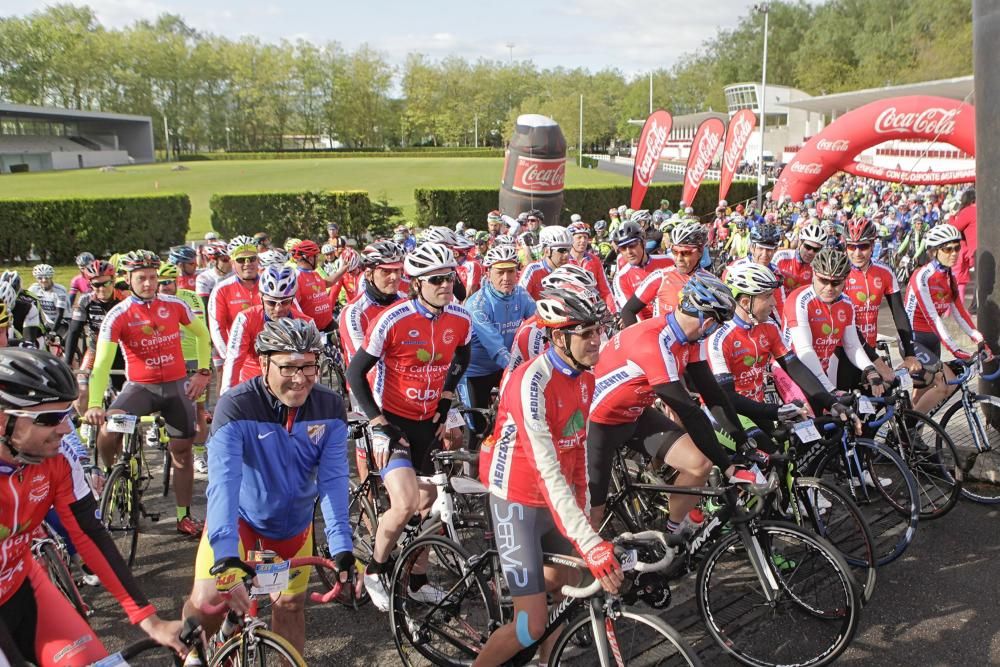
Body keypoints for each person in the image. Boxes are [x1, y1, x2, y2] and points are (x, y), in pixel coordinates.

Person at [0, 347, 187, 666]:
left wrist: (150, 621)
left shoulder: (57, 458)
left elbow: (88, 532)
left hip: (20, 582)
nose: (64, 428)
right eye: (50, 419)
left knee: (90, 660)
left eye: (66, 415)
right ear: (4, 419)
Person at [184, 318, 354, 656]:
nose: (300, 378)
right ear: (263, 363)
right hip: (242, 523)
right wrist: (226, 553)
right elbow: (224, 483)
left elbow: (333, 481)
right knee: (207, 602)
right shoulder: (237, 406)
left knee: (290, 606)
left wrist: (342, 547)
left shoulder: (329, 406)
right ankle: (193, 655)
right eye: (288, 367)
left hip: (292, 528)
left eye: (309, 366)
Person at [476, 285, 619, 666]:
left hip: (552, 499)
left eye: (597, 331)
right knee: (531, 625)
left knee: (570, 589)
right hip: (517, 498)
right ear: (558, 337)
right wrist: (587, 541)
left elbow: (577, 455)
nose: (595, 341)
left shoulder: (586, 379)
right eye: (585, 334)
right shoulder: (531, 381)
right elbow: (546, 467)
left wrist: (586, 523)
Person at [345, 241, 472, 612]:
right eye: (436, 279)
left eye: (449, 277)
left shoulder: (460, 318)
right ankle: (374, 570)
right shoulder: (393, 319)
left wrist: (447, 396)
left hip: (427, 425)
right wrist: (378, 422)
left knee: (431, 505)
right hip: (394, 425)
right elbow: (355, 373)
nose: (445, 284)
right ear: (417, 283)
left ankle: (417, 580)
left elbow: (463, 354)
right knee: (403, 505)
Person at [588, 273, 765, 532]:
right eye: (719, 323)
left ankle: (671, 536)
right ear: (706, 320)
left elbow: (713, 395)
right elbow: (690, 412)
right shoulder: (654, 342)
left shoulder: (690, 338)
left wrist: (744, 442)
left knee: (699, 464)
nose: (717, 330)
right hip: (598, 424)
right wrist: (728, 468)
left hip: (635, 415)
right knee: (594, 514)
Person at [84, 250, 213, 537]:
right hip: (139, 389)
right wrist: (94, 403)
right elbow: (103, 363)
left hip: (176, 387)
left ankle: (183, 515)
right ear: (128, 279)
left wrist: (203, 372)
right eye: (141, 278)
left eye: (153, 278)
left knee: (181, 452)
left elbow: (203, 334)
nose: (148, 283)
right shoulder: (118, 314)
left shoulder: (175, 305)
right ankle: (111, 474)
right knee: (108, 429)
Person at [709, 263, 842, 430]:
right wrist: (775, 411)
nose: (774, 302)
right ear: (745, 301)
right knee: (771, 453)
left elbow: (794, 366)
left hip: (756, 407)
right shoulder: (719, 336)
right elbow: (726, 396)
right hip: (726, 412)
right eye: (768, 296)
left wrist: (831, 402)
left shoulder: (769, 326)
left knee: (789, 445)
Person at [905, 223, 990, 414]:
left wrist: (978, 338)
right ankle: (910, 426)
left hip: (931, 340)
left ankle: (909, 436)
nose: (954, 253)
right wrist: (956, 349)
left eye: (957, 248)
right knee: (944, 386)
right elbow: (933, 317)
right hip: (914, 338)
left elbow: (959, 312)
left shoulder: (948, 276)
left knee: (922, 392)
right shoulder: (923, 276)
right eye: (947, 249)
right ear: (935, 251)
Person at [783, 248, 884, 395]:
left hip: (820, 370)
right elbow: (804, 349)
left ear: (845, 280)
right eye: (823, 280)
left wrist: (870, 369)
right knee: (814, 414)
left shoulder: (847, 303)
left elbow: (852, 345)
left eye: (836, 282)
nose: (829, 288)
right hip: (794, 370)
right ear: (813, 275)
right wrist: (830, 389)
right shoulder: (800, 299)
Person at [843, 217, 921, 384]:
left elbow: (899, 314)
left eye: (863, 246)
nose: (857, 253)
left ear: (873, 245)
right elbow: (846, 326)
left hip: (869, 347)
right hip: (842, 351)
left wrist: (910, 353)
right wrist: (878, 362)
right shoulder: (840, 275)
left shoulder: (884, 272)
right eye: (851, 246)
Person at [461, 245, 535, 415]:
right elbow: (496, 346)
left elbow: (541, 323)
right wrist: (519, 370)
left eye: (511, 271)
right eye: (500, 272)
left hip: (504, 366)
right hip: (476, 371)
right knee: (477, 429)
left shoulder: (521, 295)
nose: (506, 278)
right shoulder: (477, 304)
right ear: (488, 273)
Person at [220, 265, 311, 394]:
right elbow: (233, 360)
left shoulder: (305, 323)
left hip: (289, 385)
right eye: (271, 303)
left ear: (292, 300)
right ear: (261, 297)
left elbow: (310, 367)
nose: (278, 309)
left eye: (284, 302)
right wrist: (226, 396)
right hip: (254, 384)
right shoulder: (245, 319)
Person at [157, 262, 212, 473]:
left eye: (169, 282)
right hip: (163, 359)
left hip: (190, 358)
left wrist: (202, 366)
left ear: (176, 281)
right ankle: (158, 426)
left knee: (198, 409)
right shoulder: (150, 302)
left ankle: (199, 453)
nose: (164, 287)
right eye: (160, 283)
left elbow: (200, 330)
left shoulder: (189, 298)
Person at [620, 220, 711, 326]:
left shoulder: (711, 282)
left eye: (685, 253)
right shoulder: (660, 276)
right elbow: (627, 311)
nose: (679, 258)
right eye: (675, 252)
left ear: (700, 251)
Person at [207, 236, 260, 366]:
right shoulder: (221, 290)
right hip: (241, 361)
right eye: (241, 260)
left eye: (252, 259)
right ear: (232, 263)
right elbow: (217, 329)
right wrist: (230, 360)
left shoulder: (270, 283)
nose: (247, 263)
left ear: (258, 260)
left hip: (273, 359)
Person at [610, 219, 673, 321]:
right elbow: (634, 316)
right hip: (648, 326)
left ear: (643, 242)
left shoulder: (668, 261)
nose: (628, 252)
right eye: (622, 248)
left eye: (632, 245)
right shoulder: (621, 278)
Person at [773, 221, 827, 309]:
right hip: (778, 308)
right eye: (808, 247)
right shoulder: (781, 257)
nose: (811, 252)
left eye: (816, 249)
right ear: (799, 243)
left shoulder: (819, 266)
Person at [288, 240, 335, 333]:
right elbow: (293, 308)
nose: (318, 259)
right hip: (312, 331)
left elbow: (327, 283)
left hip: (329, 324)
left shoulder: (315, 273)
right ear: (309, 258)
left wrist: (343, 269)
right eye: (316, 256)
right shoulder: (296, 278)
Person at [566, 221, 615, 310]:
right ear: (570, 239)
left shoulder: (594, 260)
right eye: (579, 237)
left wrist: (614, 311)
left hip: (593, 309)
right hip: (569, 309)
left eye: (585, 237)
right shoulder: (563, 260)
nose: (583, 240)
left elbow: (605, 290)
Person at [518, 226, 573, 300]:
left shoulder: (570, 270)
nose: (567, 254)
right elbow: (519, 300)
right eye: (562, 250)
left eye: (569, 250)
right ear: (547, 251)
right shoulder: (532, 270)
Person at [28, 264, 69, 334]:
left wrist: (52, 332)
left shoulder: (60, 290)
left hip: (65, 321)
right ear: (36, 278)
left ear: (51, 277)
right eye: (40, 277)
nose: (43, 280)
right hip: (49, 322)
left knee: (66, 344)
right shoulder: (34, 289)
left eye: (46, 277)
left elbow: (60, 314)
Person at [194, 242, 231, 307]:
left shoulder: (236, 273)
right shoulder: (204, 278)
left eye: (230, 259)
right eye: (225, 260)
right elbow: (204, 305)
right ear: (213, 262)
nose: (229, 263)